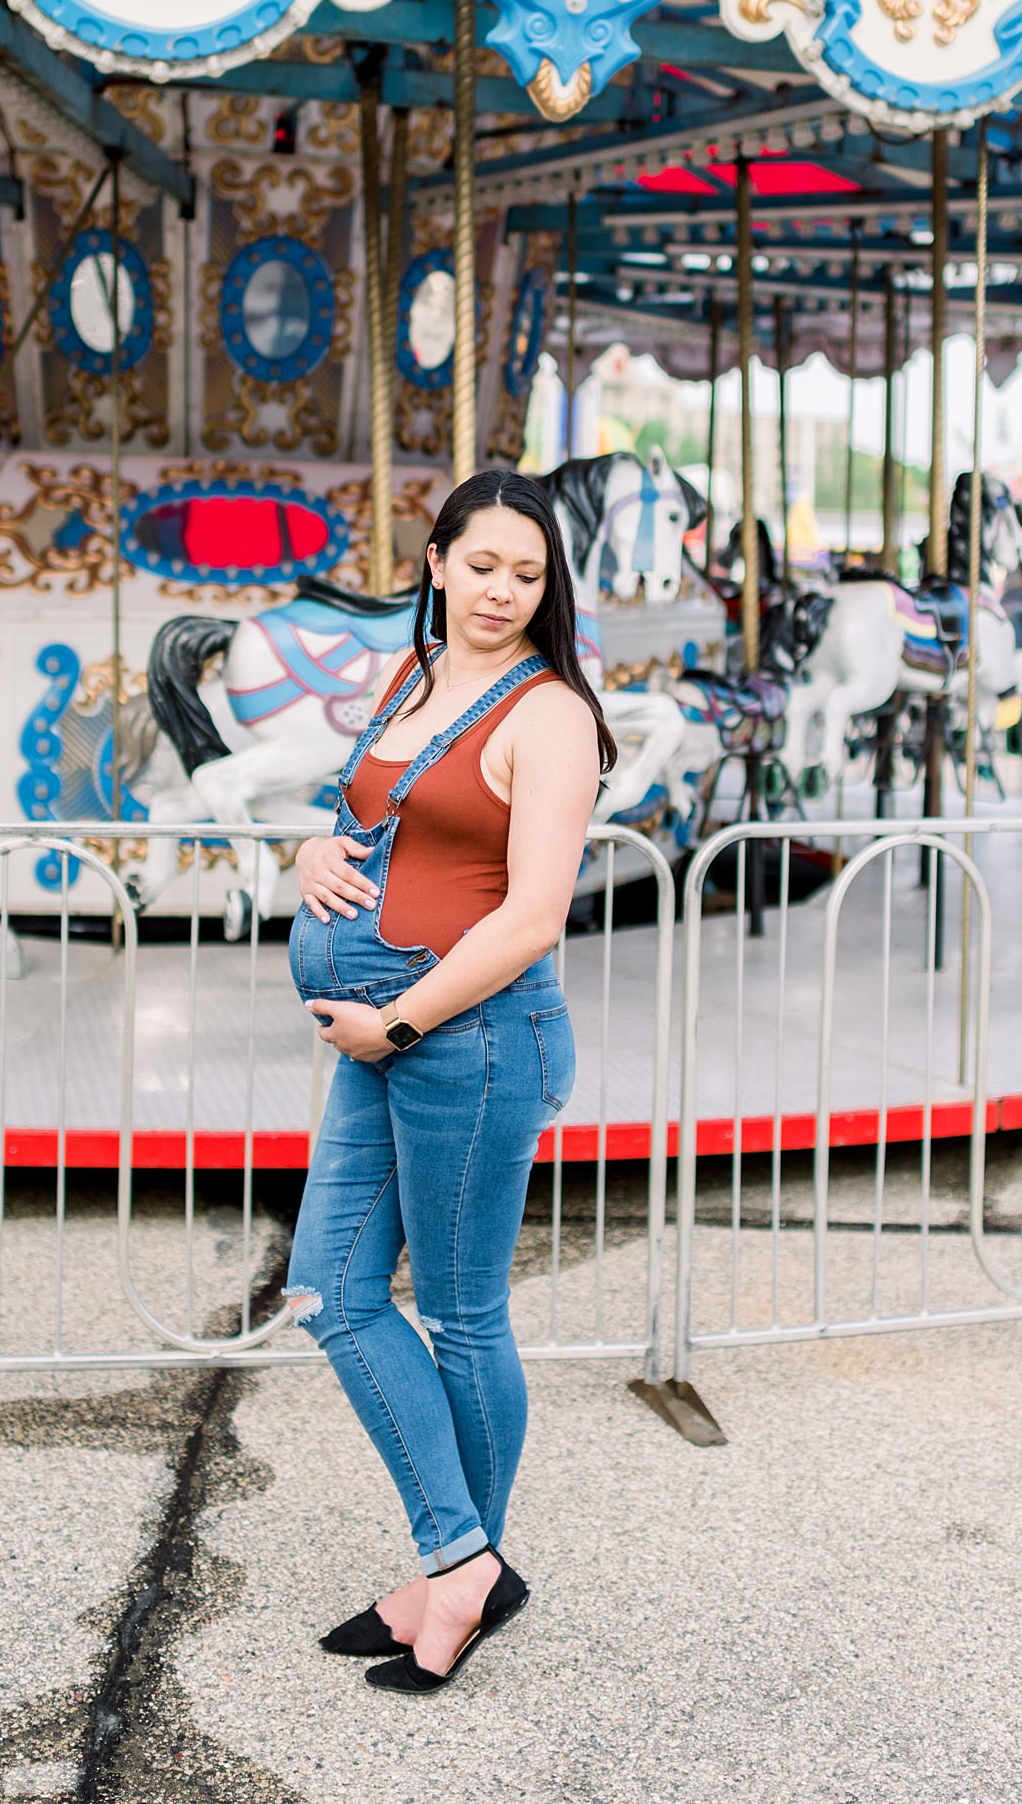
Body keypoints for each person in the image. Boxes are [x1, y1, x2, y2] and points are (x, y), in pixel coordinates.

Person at [284, 467, 615, 1695]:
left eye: (527, 575)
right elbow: (371, 816)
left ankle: (454, 1577)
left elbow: (532, 916)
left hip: (466, 1041)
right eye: (482, 566)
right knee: (330, 1291)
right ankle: (464, 1563)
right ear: (435, 562)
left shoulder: (551, 716)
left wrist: (400, 1025)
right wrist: (314, 844)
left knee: (463, 1312)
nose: (501, 591)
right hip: (389, 1035)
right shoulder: (417, 676)